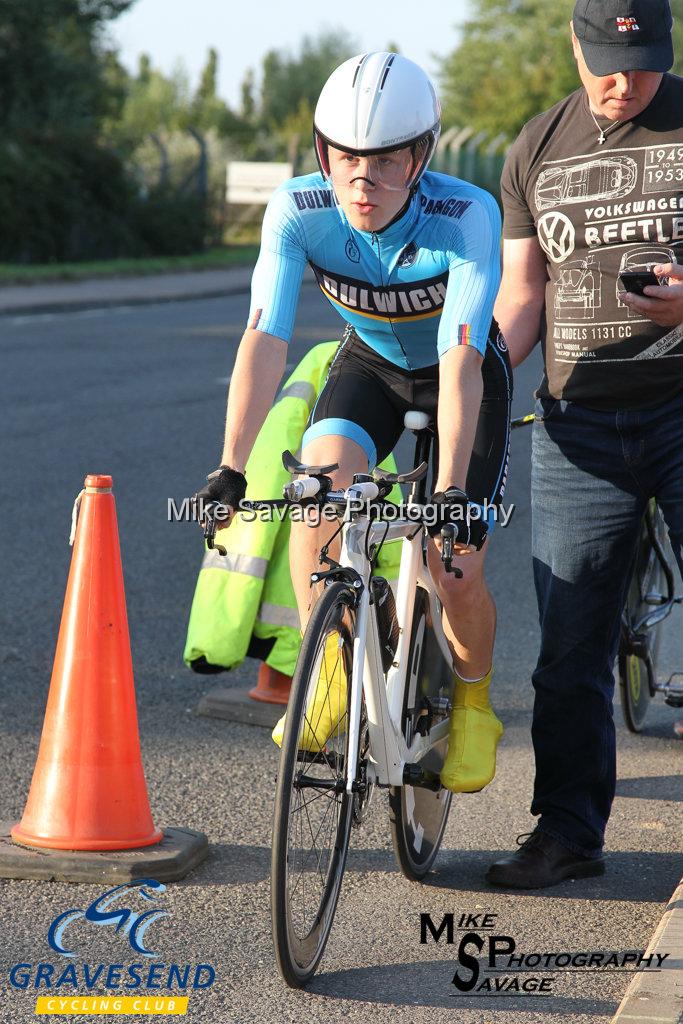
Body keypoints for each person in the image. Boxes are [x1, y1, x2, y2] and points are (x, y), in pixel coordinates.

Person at [192, 52, 512, 793]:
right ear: (320, 153)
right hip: (369, 367)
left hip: (461, 374)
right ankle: (331, 662)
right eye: (345, 160)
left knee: (451, 561)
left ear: (421, 155)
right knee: (314, 495)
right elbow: (264, 338)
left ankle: (473, 705)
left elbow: (461, 357)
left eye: (386, 162)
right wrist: (231, 466)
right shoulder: (298, 210)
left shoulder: (464, 215)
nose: (362, 182)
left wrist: (454, 489)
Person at [489, 0, 683, 887]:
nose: (623, 78)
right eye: (606, 58)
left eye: (641, 59)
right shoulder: (535, 145)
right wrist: (478, 368)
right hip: (579, 428)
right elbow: (522, 291)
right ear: (574, 44)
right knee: (568, 650)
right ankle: (567, 833)